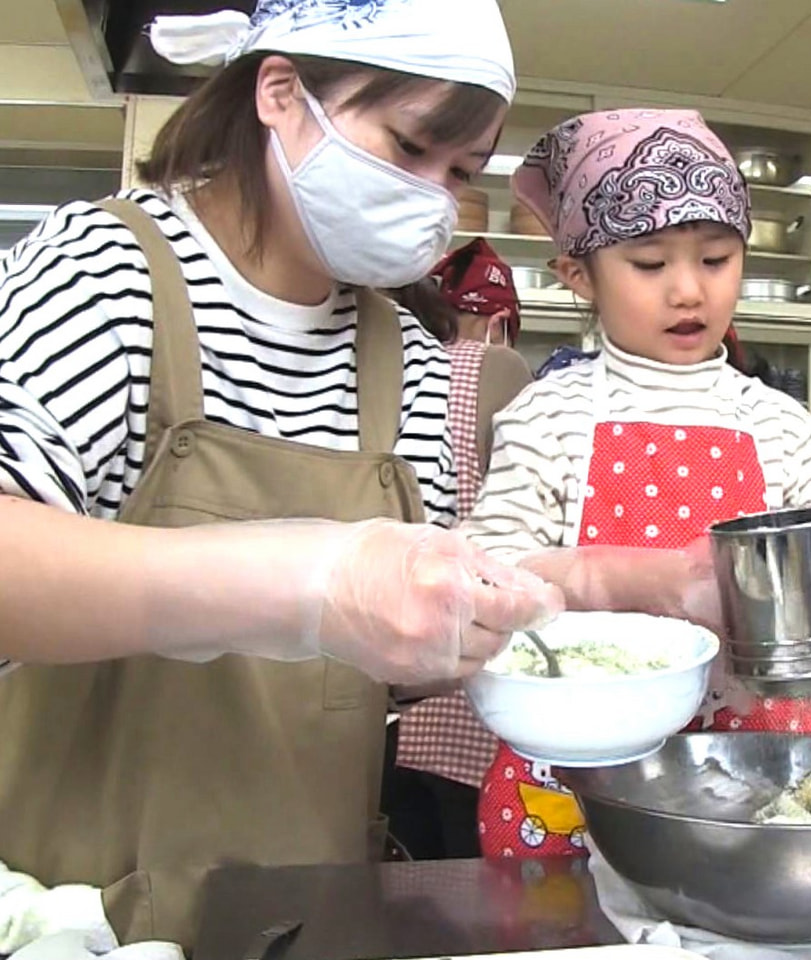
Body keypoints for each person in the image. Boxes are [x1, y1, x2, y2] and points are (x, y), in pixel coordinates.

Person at [0, 1, 562, 952]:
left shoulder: (410, 366)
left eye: (460, 173)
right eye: (411, 147)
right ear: (281, 94)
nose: (434, 197)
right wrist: (310, 587)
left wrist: (485, 623)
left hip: (305, 912)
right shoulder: (104, 277)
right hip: (77, 915)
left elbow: (379, 682)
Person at [461, 108, 811, 858]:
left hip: (760, 773)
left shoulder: (782, 423)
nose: (688, 292)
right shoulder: (550, 413)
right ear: (577, 274)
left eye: (715, 259)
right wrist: (641, 580)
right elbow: (486, 578)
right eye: (649, 264)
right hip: (575, 770)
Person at [384, 239, 532, 860]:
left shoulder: (390, 365)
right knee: (471, 882)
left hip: (386, 674)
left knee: (404, 865)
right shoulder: (498, 370)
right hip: (468, 676)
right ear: (500, 321)